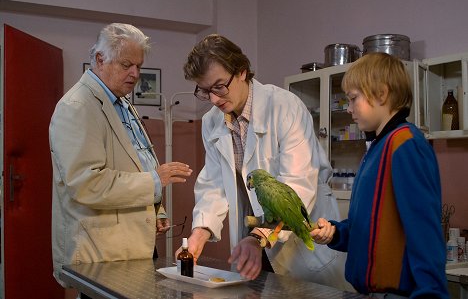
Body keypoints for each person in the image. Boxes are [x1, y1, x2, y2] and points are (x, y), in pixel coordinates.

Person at [177, 34, 351, 290]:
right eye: (204, 90)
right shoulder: (212, 121)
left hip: (302, 243)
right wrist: (200, 231)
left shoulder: (284, 106)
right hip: (254, 245)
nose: (213, 99)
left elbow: (298, 186)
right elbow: (214, 184)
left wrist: (258, 238)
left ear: (242, 72)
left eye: (218, 86)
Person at [49, 23, 193, 289]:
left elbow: (135, 162)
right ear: (100, 59)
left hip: (132, 245)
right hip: (103, 251)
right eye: (127, 65)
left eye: (139, 66)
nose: (135, 74)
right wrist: (154, 182)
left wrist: (155, 209)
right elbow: (86, 184)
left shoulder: (122, 102)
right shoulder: (77, 107)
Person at [311, 52, 449, 298]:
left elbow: (424, 233)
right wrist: (335, 232)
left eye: (354, 99)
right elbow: (367, 227)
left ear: (382, 94)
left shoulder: (405, 144)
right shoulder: (377, 148)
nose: (350, 109)